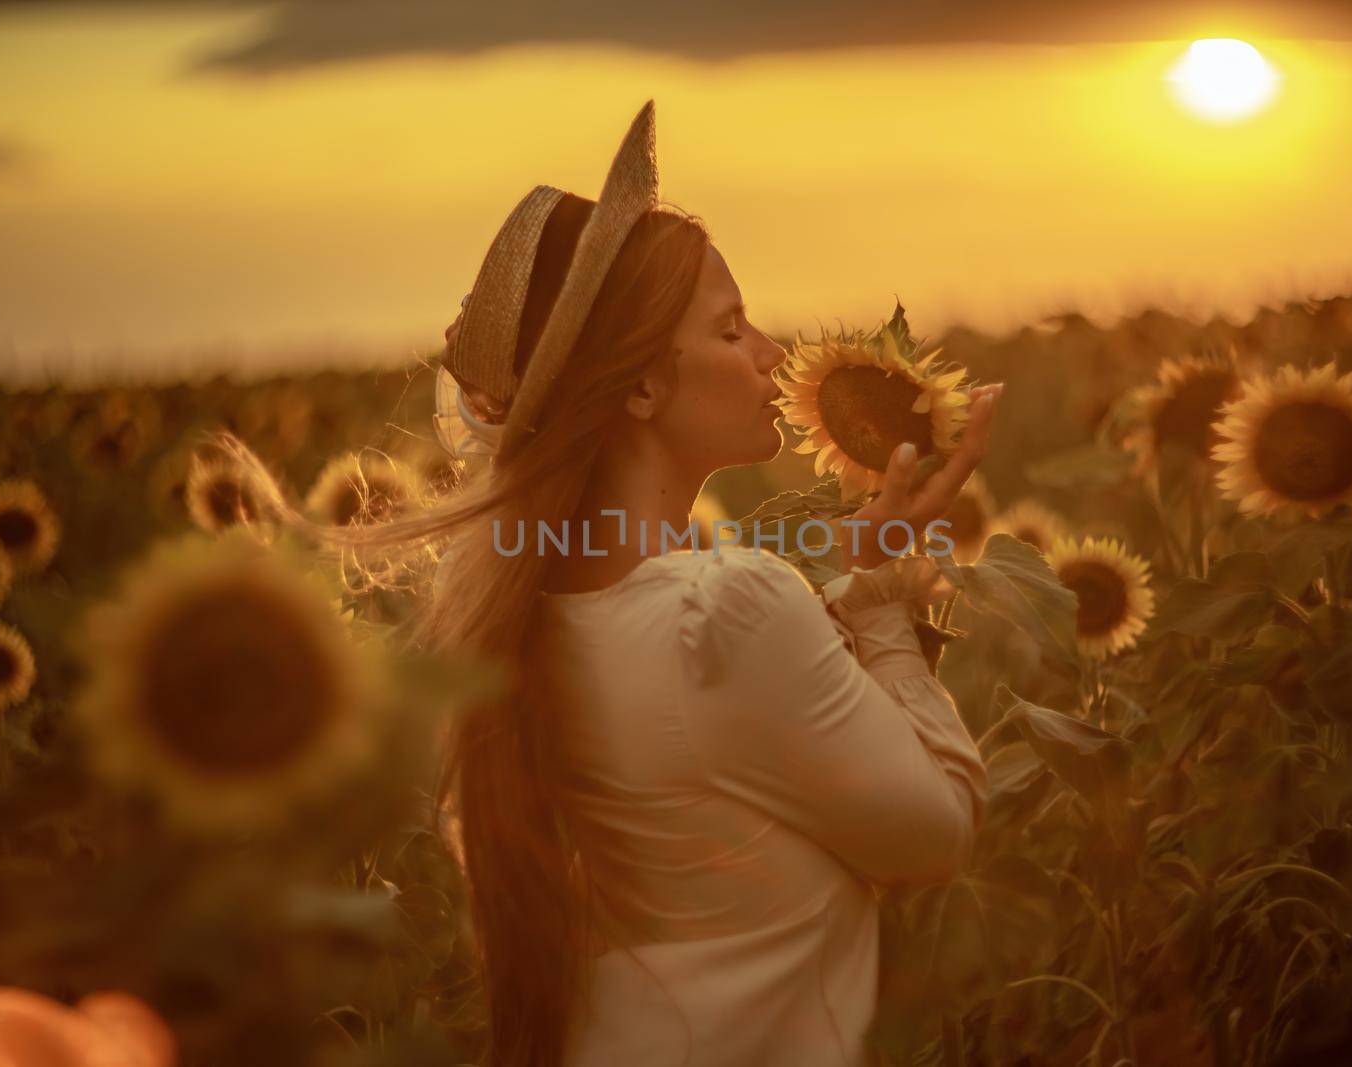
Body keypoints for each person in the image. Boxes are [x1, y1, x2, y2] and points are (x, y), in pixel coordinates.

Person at [221, 98, 999, 1067]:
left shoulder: (535, 621)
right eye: (730, 329)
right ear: (637, 387)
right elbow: (937, 832)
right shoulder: (729, 612)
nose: (770, 355)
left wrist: (854, 589)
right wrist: (882, 599)